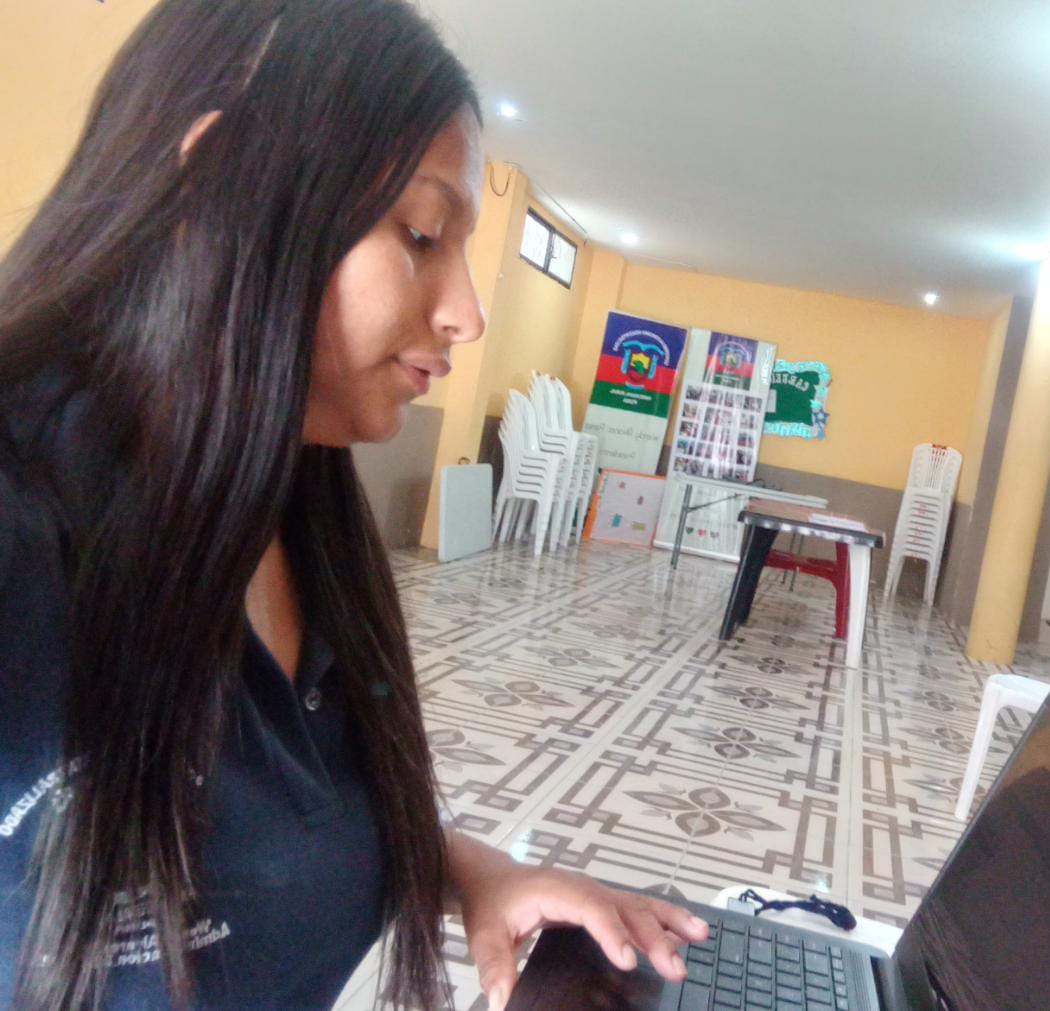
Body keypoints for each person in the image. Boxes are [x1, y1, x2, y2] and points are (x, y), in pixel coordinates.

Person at [0, 1, 707, 1007]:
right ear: (223, 183)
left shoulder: (297, 503)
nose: (467, 313)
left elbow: (294, 823)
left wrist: (480, 874)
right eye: (420, 233)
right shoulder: (27, 516)